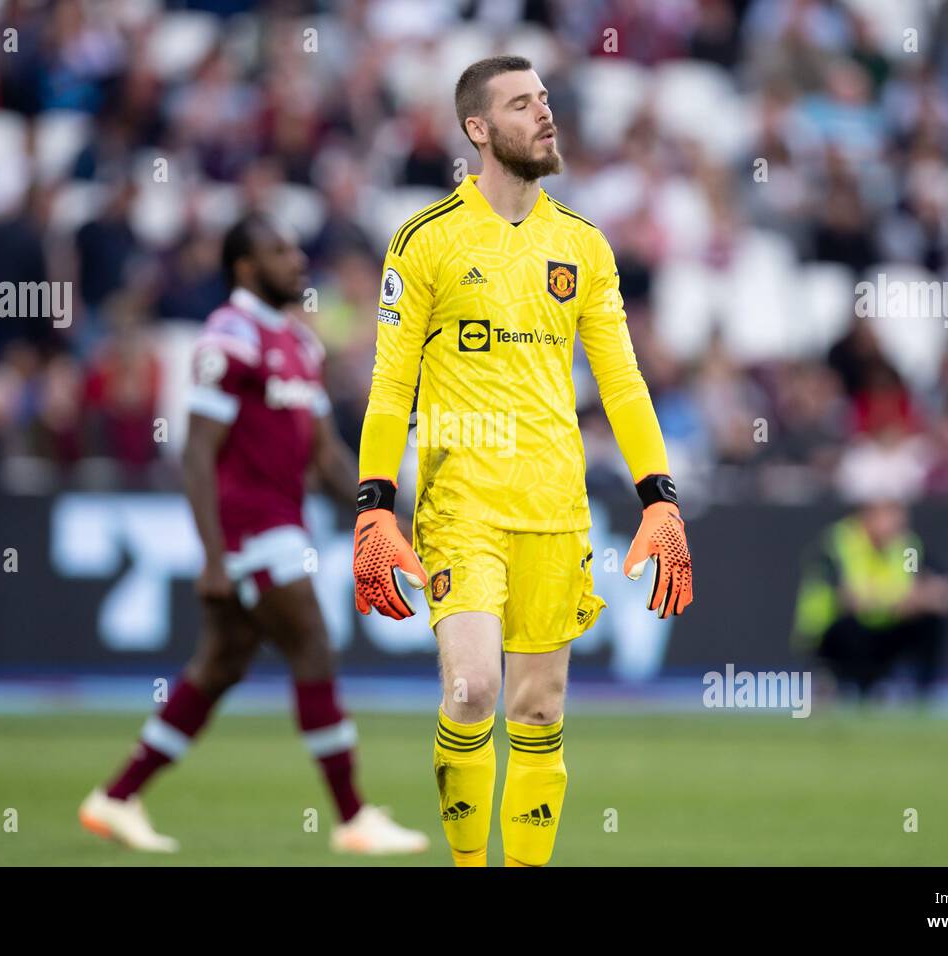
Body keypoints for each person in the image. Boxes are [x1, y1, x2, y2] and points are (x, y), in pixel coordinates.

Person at [351, 56, 695, 867]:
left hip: (554, 507)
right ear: (479, 129)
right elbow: (390, 384)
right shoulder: (425, 240)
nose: (545, 114)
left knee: (538, 713)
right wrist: (372, 505)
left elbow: (623, 382)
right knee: (471, 689)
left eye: (545, 99)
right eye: (522, 104)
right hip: (460, 503)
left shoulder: (583, 244)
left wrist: (660, 498)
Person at [79, 214, 428, 856]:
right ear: (244, 268)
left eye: (295, 248)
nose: (296, 260)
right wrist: (212, 558)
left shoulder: (300, 343)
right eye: (277, 251)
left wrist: (379, 520)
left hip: (282, 524)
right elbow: (197, 453)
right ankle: (352, 816)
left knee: (217, 668)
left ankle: (117, 796)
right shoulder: (229, 338)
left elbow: (323, 456)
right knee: (313, 648)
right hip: (249, 530)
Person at [793, 499, 948, 701]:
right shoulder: (840, 541)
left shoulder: (907, 547)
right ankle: (830, 677)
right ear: (868, 516)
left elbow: (930, 586)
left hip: (883, 628)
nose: (898, 524)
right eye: (890, 516)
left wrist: (922, 598)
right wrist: (897, 601)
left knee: (931, 620)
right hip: (834, 636)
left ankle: (921, 692)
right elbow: (849, 598)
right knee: (850, 625)